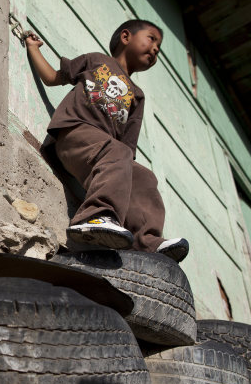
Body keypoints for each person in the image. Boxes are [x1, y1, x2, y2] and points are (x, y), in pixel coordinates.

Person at [25, 19, 189, 262]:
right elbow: (52, 78)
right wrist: (32, 47)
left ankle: (147, 241)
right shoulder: (96, 60)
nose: (155, 49)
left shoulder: (138, 96)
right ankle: (94, 217)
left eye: (159, 48)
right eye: (151, 39)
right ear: (126, 37)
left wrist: (125, 167)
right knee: (118, 152)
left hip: (105, 150)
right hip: (73, 134)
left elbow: (127, 148)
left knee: (144, 176)